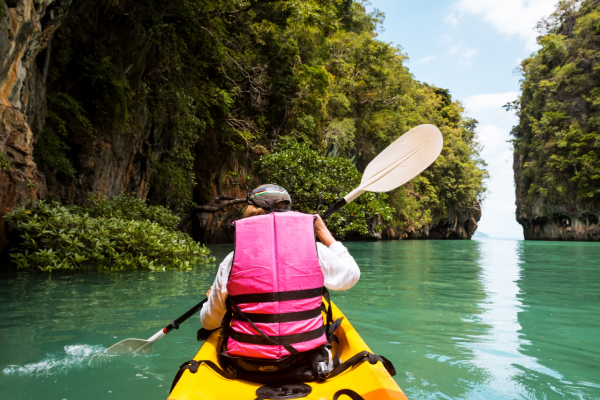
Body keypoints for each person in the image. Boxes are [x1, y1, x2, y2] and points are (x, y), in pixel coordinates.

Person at [199, 184, 360, 382]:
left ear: (250, 215)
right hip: (305, 362)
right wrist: (323, 233)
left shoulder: (232, 259)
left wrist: (211, 301)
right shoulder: (316, 251)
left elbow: (209, 322)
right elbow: (352, 275)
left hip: (246, 365)